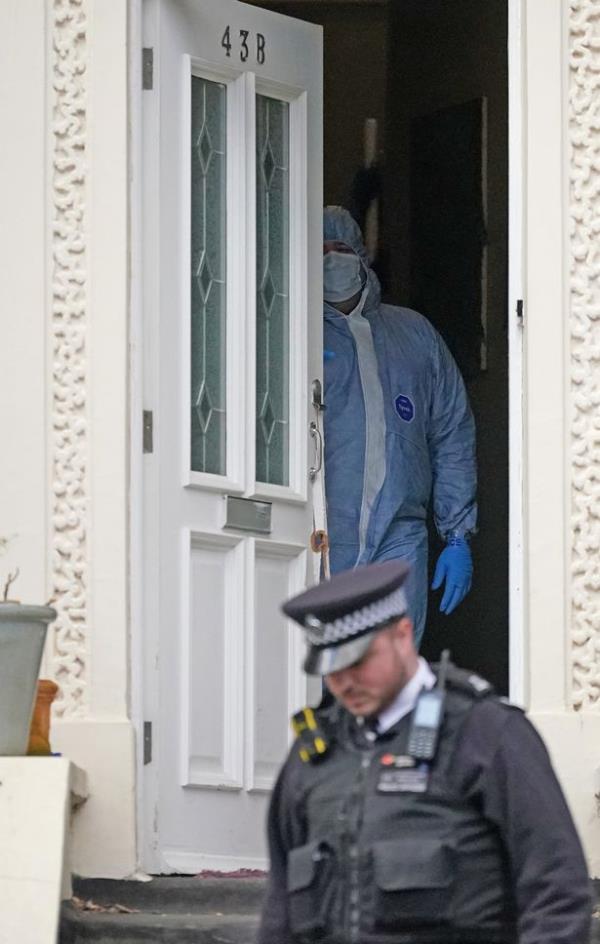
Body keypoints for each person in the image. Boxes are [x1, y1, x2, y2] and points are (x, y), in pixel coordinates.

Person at [257, 560, 591, 944]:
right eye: (332, 669)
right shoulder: (314, 754)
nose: (345, 683)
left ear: (403, 634)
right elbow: (280, 910)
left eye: (359, 661)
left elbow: (557, 892)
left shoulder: (486, 733)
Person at [323, 206, 477, 645]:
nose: (332, 258)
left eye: (341, 248)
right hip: (318, 535)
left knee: (390, 678)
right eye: (320, 251)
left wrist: (457, 534)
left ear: (361, 254)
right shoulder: (297, 335)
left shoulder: (413, 335)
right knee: (316, 683)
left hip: (399, 536)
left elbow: (451, 432)